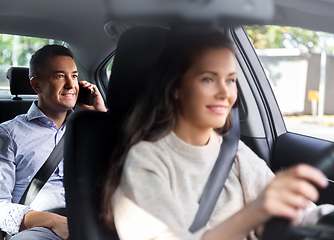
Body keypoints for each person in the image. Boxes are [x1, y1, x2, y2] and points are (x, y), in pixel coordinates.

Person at [101, 30, 334, 240]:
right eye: (208, 79)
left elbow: (302, 214)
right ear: (175, 87)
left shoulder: (234, 151)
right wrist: (254, 213)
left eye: (231, 80)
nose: (225, 92)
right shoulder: (144, 162)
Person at [0, 44, 106, 240]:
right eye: (59, 76)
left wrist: (101, 118)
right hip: (41, 231)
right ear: (36, 85)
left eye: (74, 76)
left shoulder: (91, 130)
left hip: (94, 222)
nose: (70, 84)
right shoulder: (7, 135)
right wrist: (52, 221)